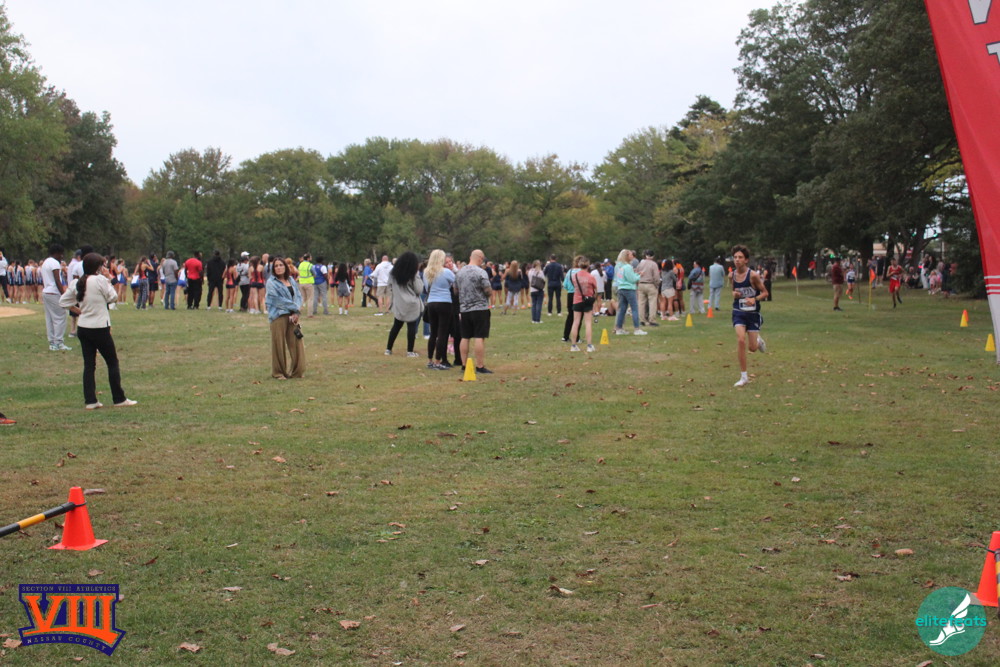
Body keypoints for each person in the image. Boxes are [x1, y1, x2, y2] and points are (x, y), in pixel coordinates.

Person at [59, 253, 137, 409]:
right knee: (112, 362)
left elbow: (63, 302)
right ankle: (119, 398)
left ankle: (90, 400)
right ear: (98, 268)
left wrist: (79, 311)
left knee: (89, 365)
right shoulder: (100, 280)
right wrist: (108, 279)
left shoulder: (77, 282)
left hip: (84, 327)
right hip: (100, 327)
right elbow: (113, 297)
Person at [730, 245, 768, 388]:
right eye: (735, 257)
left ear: (746, 260)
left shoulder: (753, 276)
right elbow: (733, 291)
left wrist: (755, 299)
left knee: (752, 348)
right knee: (741, 340)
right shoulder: (732, 275)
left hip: (752, 314)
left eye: (740, 257)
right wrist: (734, 294)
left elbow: (765, 293)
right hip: (738, 312)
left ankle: (757, 341)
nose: (737, 260)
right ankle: (744, 376)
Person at [265, 257, 305, 379]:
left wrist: (296, 313)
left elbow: (298, 296)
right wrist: (295, 308)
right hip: (278, 316)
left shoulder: (291, 280)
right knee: (279, 344)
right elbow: (276, 300)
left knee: (296, 343)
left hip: (293, 316)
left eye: (281, 265)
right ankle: (279, 372)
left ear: (285, 267)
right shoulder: (271, 282)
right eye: (276, 266)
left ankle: (297, 372)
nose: (278, 268)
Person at [456, 249, 494, 374]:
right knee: (479, 336)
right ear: (480, 258)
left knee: (465, 337)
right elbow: (487, 290)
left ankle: (464, 365)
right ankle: (479, 366)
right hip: (480, 308)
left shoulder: (459, 272)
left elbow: (455, 290)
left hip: (464, 309)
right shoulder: (481, 272)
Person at [384, 251, 424, 358]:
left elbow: (389, 285)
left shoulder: (393, 273)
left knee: (396, 326)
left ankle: (388, 349)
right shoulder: (413, 274)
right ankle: (410, 351)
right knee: (411, 327)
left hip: (399, 303)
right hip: (412, 304)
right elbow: (419, 289)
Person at [423, 250, 455, 369]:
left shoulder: (426, 272)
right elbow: (456, 283)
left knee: (433, 333)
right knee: (442, 333)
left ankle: (430, 360)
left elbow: (426, 288)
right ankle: (438, 361)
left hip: (431, 302)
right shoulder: (446, 272)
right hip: (444, 302)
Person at [42, 243, 71, 351]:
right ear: (57, 253)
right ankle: (59, 342)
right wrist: (63, 294)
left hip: (46, 292)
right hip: (54, 292)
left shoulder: (45, 262)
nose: (62, 256)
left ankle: (52, 343)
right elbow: (57, 280)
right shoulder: (55, 263)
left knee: (49, 318)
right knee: (60, 317)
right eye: (61, 254)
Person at [614, 249, 647, 335]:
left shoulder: (621, 267)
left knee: (622, 309)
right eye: (630, 255)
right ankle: (637, 329)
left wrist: (636, 274)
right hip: (629, 289)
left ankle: (619, 328)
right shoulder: (628, 267)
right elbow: (632, 280)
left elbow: (627, 277)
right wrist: (640, 275)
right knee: (634, 309)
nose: (632, 256)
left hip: (621, 288)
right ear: (627, 256)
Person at [568, 256, 598, 352]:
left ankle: (573, 345)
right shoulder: (590, 277)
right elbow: (595, 288)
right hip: (587, 300)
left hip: (577, 300)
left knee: (575, 322)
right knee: (588, 323)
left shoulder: (574, 276)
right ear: (588, 265)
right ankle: (589, 346)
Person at [636, 250, 660, 327]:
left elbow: (636, 273)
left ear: (646, 255)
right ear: (653, 256)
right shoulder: (653, 264)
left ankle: (641, 320)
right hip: (650, 284)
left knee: (641, 303)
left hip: (641, 284)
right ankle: (652, 320)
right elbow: (656, 276)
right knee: (652, 303)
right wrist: (657, 284)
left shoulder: (640, 263)